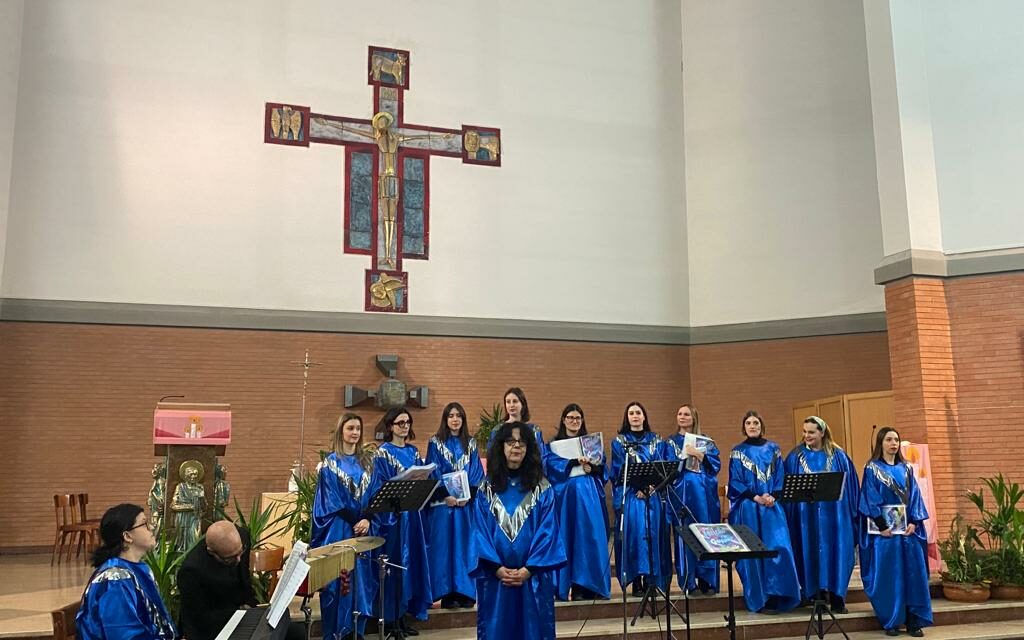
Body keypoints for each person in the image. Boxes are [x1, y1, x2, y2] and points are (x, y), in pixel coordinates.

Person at [470, 422, 566, 640]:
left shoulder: (542, 488)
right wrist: (496, 568)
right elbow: (479, 532)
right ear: (501, 447)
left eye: (522, 443)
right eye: (511, 442)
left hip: (533, 579)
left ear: (529, 449)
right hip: (496, 580)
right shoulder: (486, 489)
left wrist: (528, 570)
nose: (516, 447)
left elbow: (548, 531)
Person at [859, 427, 932, 637]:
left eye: (896, 440)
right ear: (880, 443)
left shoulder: (907, 468)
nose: (894, 443)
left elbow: (916, 497)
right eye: (889, 439)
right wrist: (882, 525)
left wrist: (915, 522)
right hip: (886, 535)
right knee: (890, 576)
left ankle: (913, 620)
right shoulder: (872, 468)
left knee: (913, 576)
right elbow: (870, 497)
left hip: (908, 533)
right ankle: (892, 620)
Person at [313, 413, 380, 640]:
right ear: (341, 430)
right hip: (340, 529)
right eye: (350, 428)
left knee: (361, 582)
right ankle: (336, 633)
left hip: (363, 528)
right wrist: (355, 521)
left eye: (358, 429)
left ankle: (356, 631)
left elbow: (376, 494)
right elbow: (332, 500)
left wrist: (368, 519)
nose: (355, 433)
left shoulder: (368, 463)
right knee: (338, 583)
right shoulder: (329, 464)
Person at [783, 416, 860, 613]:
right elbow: (787, 489)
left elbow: (850, 487)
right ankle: (814, 594)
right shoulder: (795, 457)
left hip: (835, 515)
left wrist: (853, 515)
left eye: (811, 432)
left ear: (822, 432)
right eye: (805, 431)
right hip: (806, 517)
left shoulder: (839, 456)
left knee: (836, 550)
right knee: (810, 549)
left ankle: (837, 596)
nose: (806, 436)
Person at [727, 411, 800, 614]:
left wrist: (773, 496)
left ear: (761, 426)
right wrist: (755, 497)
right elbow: (735, 481)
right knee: (752, 552)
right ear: (744, 427)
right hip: (749, 507)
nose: (752, 426)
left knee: (778, 547)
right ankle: (760, 598)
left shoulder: (774, 449)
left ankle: (778, 593)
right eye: (748, 423)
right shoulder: (737, 452)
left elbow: (780, 476)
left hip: (771, 506)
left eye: (756, 422)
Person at [76, 503, 177, 640]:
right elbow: (123, 634)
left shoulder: (140, 569)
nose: (152, 527)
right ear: (127, 536)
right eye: (144, 524)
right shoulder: (114, 579)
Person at [373, 407, 432, 636]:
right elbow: (378, 485)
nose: (405, 426)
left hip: (413, 517)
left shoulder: (413, 452)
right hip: (393, 519)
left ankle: (404, 615)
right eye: (400, 423)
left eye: (407, 422)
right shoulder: (382, 453)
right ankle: (390, 619)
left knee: (411, 564)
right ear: (390, 426)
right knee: (394, 566)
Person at [543, 403, 611, 601]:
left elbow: (603, 469)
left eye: (578, 418)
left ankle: (594, 585)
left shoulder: (591, 443)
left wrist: (593, 469)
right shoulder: (554, 445)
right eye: (570, 418)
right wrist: (573, 462)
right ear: (563, 420)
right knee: (570, 538)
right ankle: (575, 585)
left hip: (590, 498)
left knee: (591, 538)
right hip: (567, 499)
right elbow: (550, 468)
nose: (574, 421)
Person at [424, 402, 484, 609]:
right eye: (451, 415)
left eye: (459, 415)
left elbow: (476, 473)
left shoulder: (471, 444)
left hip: (466, 507)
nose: (455, 419)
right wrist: (445, 495)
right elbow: (432, 471)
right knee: (445, 548)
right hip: (444, 506)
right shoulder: (435, 443)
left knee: (466, 547)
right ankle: (447, 592)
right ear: (445, 419)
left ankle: (466, 591)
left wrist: (469, 495)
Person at [609, 401, 670, 596]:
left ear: (644, 417)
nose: (635, 416)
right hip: (632, 495)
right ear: (627, 418)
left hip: (652, 494)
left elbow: (662, 467)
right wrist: (637, 487)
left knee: (653, 535)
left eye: (638, 413)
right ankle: (636, 580)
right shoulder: (619, 442)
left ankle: (652, 580)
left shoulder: (657, 440)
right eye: (631, 413)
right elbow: (618, 470)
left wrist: (651, 487)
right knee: (634, 535)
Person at [662, 403, 721, 595]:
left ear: (694, 418)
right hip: (682, 495)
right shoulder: (669, 442)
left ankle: (708, 579)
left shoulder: (706, 441)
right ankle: (689, 581)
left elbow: (715, 466)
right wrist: (683, 457)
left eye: (686, 414)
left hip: (704, 496)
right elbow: (667, 469)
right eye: (679, 413)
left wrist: (700, 455)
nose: (682, 417)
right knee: (686, 535)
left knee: (706, 534)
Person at [177, 521, 256, 640]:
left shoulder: (242, 538)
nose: (239, 559)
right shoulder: (191, 571)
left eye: (240, 552)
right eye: (230, 558)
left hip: (241, 616)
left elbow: (244, 578)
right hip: (213, 628)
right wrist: (239, 612)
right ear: (211, 552)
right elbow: (199, 620)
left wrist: (253, 609)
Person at [489, 387, 546, 453]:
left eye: (515, 401)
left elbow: (540, 453)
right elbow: (492, 454)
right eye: (508, 402)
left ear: (523, 404)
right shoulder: (498, 429)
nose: (511, 405)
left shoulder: (533, 430)